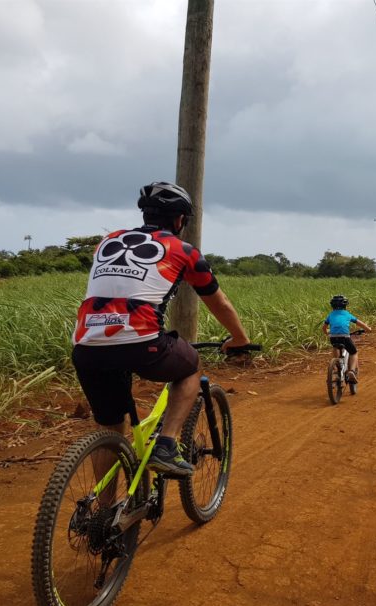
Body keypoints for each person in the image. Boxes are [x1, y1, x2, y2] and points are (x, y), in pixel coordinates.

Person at [71, 181, 252, 477]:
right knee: (191, 367)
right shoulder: (185, 251)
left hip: (87, 345)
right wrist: (240, 338)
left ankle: (103, 514)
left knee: (111, 425)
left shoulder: (107, 241)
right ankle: (166, 445)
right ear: (180, 220)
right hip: (140, 341)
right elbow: (219, 303)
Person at [322, 295, 372, 383]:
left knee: (335, 347)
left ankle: (337, 369)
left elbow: (324, 328)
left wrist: (327, 333)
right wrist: (368, 329)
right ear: (345, 305)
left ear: (332, 306)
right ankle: (351, 371)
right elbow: (360, 324)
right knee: (354, 352)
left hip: (333, 337)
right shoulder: (347, 314)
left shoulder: (330, 315)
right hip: (345, 337)